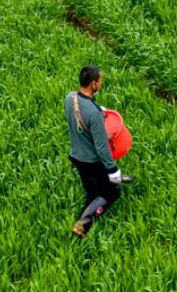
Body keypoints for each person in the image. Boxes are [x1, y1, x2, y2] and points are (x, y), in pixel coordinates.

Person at [65, 65, 123, 237]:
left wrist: (98, 110)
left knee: (92, 192)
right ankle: (82, 225)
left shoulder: (70, 98)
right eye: (100, 80)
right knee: (112, 191)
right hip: (90, 161)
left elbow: (81, 112)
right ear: (93, 84)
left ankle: (81, 224)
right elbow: (101, 146)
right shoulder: (93, 114)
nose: (101, 83)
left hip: (75, 155)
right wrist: (112, 169)